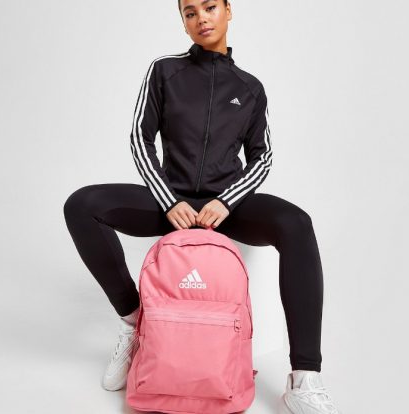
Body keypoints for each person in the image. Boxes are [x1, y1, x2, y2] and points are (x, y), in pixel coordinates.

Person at [63, 1, 342, 413]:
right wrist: (167, 199)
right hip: (170, 200)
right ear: (183, 21)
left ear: (229, 11)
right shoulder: (165, 71)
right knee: (82, 204)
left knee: (296, 223)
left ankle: (304, 377)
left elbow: (262, 157)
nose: (201, 18)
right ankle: (134, 320)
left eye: (210, 7)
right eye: (190, 12)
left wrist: (227, 200)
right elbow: (141, 138)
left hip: (226, 205)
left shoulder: (250, 88)